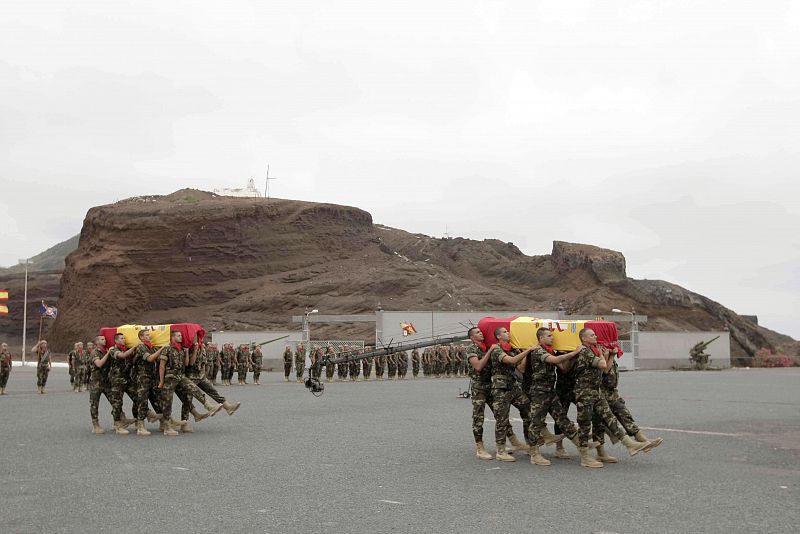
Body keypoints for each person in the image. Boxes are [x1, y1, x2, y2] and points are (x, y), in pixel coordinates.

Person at [572, 328, 649, 467]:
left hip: (596, 392)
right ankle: (585, 456)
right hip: (585, 393)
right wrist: (602, 354)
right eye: (592, 335)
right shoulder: (584, 351)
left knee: (609, 418)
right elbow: (602, 364)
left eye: (595, 334)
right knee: (584, 424)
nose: (595, 336)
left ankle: (629, 444)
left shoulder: (593, 351)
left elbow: (605, 369)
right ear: (584, 339)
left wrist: (606, 354)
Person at [519, 328, 586, 466]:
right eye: (549, 336)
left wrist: (572, 356)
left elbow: (564, 368)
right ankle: (534, 453)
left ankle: (582, 445)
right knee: (536, 422)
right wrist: (575, 351)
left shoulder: (550, 350)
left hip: (550, 391)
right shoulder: (537, 351)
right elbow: (555, 360)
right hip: (539, 392)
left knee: (562, 418)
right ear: (541, 338)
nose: (552, 338)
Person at [591, 346, 662, 462]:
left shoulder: (608, 352)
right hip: (600, 392)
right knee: (598, 422)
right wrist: (609, 355)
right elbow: (605, 370)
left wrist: (612, 355)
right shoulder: (599, 352)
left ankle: (641, 439)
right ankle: (601, 452)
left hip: (612, 392)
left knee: (624, 413)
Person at [158, 330, 223, 436]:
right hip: (170, 378)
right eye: (179, 336)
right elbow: (161, 366)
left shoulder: (181, 350)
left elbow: (187, 363)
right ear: (172, 337)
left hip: (180, 376)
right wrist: (161, 381)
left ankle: (208, 406)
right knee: (167, 402)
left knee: (193, 388)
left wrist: (187, 352)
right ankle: (167, 427)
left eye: (181, 336)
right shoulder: (167, 349)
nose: (181, 337)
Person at [465, 327, 516, 460]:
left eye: (481, 331)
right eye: (477, 332)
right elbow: (478, 366)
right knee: (478, 418)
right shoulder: (471, 348)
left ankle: (510, 442)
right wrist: (490, 351)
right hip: (479, 387)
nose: (480, 333)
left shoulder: (486, 347)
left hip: (490, 385)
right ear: (472, 337)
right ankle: (480, 447)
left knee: (500, 414)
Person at [487, 327, 534, 462]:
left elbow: (520, 368)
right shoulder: (496, 349)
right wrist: (528, 350)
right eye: (505, 332)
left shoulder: (511, 348)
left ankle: (531, 443)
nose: (508, 333)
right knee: (502, 419)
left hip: (513, 387)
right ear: (498, 336)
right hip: (500, 388)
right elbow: (511, 361)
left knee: (528, 409)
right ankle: (500, 450)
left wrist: (524, 353)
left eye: (508, 331)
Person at [130, 329, 166, 436]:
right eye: (146, 335)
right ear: (141, 337)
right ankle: (140, 425)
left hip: (152, 378)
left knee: (157, 399)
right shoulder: (141, 347)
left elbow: (158, 358)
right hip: (142, 378)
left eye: (149, 335)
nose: (149, 336)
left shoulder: (152, 347)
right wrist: (162, 349)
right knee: (142, 401)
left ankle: (163, 422)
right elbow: (150, 358)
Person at [107, 333, 138, 434]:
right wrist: (134, 347)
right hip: (116, 380)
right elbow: (123, 356)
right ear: (116, 340)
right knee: (117, 403)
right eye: (121, 338)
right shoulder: (113, 350)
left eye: (125, 338)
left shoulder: (126, 349)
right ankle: (117, 424)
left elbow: (131, 361)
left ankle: (139, 419)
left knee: (137, 397)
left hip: (127, 379)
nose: (124, 339)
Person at [88, 335, 113, 434]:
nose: (105, 340)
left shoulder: (105, 351)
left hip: (106, 382)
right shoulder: (95, 352)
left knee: (115, 401)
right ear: (97, 342)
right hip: (96, 382)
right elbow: (99, 364)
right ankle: (95, 425)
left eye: (105, 339)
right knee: (95, 404)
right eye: (102, 339)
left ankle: (118, 421)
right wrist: (108, 354)